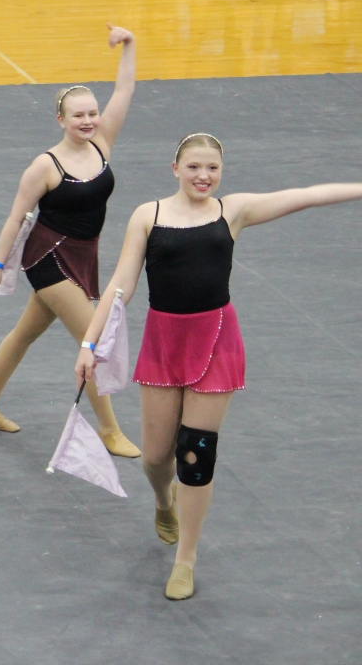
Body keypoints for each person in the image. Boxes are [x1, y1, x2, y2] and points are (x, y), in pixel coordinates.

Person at [75, 133, 362, 599]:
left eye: (212, 168)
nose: (203, 176)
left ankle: (185, 559)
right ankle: (163, 498)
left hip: (216, 342)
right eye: (193, 167)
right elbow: (121, 284)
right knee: (156, 457)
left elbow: (307, 195)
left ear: (222, 171)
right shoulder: (148, 216)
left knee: (195, 453)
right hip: (165, 343)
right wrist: (90, 342)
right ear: (175, 168)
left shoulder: (234, 211)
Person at [0, 24, 141, 458]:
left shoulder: (102, 144)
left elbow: (124, 91)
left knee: (24, 333)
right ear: (61, 121)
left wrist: (129, 45)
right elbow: (16, 218)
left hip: (84, 256)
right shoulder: (45, 166)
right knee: (92, 338)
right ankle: (109, 430)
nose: (88, 121)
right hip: (47, 258)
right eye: (78, 116)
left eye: (92, 114)